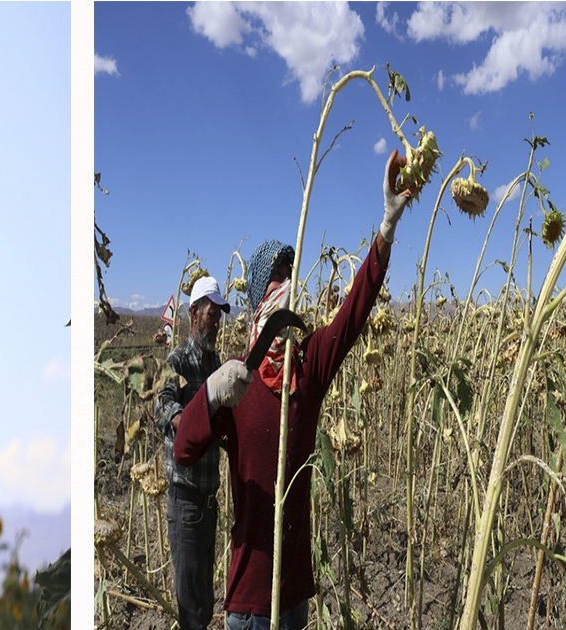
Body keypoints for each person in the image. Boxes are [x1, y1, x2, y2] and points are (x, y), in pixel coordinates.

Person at [174, 149, 416, 630]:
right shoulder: (235, 382)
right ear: (259, 300)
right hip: (247, 601)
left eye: (290, 278)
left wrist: (387, 224)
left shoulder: (308, 369)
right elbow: (184, 449)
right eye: (276, 280)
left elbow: (355, 310)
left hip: (294, 598)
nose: (285, 287)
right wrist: (211, 395)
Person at [155, 274, 232, 630]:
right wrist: (187, 423)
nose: (215, 322)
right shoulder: (178, 362)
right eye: (210, 314)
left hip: (208, 503)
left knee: (204, 600)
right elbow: (161, 404)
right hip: (185, 502)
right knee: (190, 608)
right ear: (193, 314)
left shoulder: (215, 367)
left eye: (219, 315)